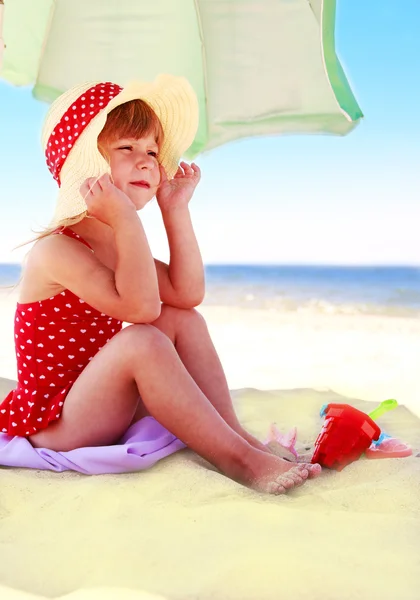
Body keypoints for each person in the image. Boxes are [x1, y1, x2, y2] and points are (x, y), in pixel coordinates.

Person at [0, 75, 321, 494]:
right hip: (58, 423)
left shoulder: (119, 245)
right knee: (143, 340)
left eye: (152, 150)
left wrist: (175, 211)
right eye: (127, 149)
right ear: (89, 166)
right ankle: (239, 462)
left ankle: (240, 438)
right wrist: (127, 219)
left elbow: (187, 296)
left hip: (101, 403)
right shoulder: (57, 250)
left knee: (181, 319)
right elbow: (139, 311)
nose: (148, 161)